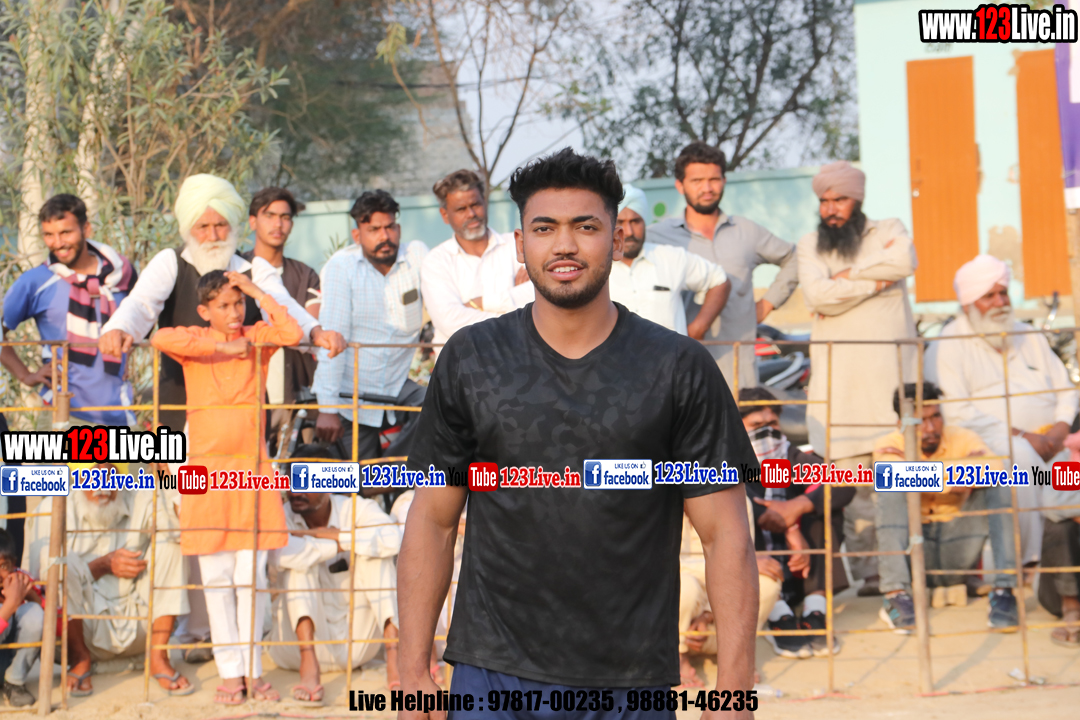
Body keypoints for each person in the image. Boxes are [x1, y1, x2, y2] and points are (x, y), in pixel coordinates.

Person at [397, 148, 759, 720]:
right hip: (491, 673)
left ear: (616, 238)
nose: (564, 245)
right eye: (545, 228)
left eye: (586, 227)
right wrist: (412, 670)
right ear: (521, 245)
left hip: (630, 681)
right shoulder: (471, 358)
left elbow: (726, 536)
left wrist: (733, 691)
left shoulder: (677, 367)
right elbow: (433, 521)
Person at [150, 270, 299, 705]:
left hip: (251, 472)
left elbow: (291, 332)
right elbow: (160, 338)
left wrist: (256, 291)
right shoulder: (196, 341)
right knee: (216, 579)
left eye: (238, 303)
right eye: (223, 305)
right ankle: (231, 674)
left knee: (250, 577)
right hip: (205, 474)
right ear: (205, 311)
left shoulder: (257, 337)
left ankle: (254, 671)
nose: (234, 313)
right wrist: (222, 347)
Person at [98, 173, 344, 433]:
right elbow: (141, 303)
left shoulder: (254, 269)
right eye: (203, 226)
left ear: (233, 226)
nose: (213, 235)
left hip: (243, 414)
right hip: (182, 409)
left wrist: (316, 332)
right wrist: (119, 328)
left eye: (221, 225)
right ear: (188, 229)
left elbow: (283, 305)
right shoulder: (170, 262)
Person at [798, 160, 918, 597]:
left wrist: (847, 278)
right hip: (842, 388)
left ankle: (902, 576)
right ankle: (871, 577)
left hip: (891, 388)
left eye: (839, 199)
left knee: (898, 484)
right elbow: (817, 295)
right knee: (853, 492)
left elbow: (905, 260)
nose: (830, 209)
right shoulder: (810, 244)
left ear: (858, 200)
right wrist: (876, 283)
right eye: (824, 201)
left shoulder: (889, 229)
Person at [927, 254, 1079, 570]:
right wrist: (1025, 437)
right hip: (988, 442)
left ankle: (1056, 572)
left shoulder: (1029, 335)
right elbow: (956, 413)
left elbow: (1066, 390)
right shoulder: (947, 344)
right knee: (1021, 457)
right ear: (968, 303)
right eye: (989, 296)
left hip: (1053, 441)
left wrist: (1059, 430)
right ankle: (1023, 564)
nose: (1000, 302)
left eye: (1003, 293)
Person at [23, 465, 191, 696]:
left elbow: (181, 533)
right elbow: (36, 585)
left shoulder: (142, 497)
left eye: (109, 475)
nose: (101, 486)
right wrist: (100, 566)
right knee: (54, 559)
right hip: (80, 632)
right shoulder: (52, 507)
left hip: (140, 624)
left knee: (171, 544)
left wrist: (165, 478)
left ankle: (158, 656)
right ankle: (80, 659)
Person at [648, 141, 798, 389]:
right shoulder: (657, 237)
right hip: (683, 370)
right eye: (697, 181)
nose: (707, 188)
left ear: (724, 181)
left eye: (714, 179)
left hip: (740, 370)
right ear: (679, 185)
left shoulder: (746, 231)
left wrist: (767, 304)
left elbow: (794, 257)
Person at [871, 383, 1018, 631]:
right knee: (889, 487)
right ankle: (895, 595)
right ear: (901, 423)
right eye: (921, 421)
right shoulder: (888, 442)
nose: (930, 428)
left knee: (1000, 484)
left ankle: (1004, 591)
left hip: (958, 545)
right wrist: (958, 478)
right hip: (913, 551)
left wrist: (918, 474)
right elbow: (893, 476)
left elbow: (995, 469)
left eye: (936, 417)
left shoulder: (962, 437)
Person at [2, 194, 137, 429]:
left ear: (86, 228)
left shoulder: (123, 273)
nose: (58, 243)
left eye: (65, 232)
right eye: (48, 235)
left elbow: (142, 317)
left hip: (121, 413)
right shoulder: (37, 281)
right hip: (62, 415)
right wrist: (26, 376)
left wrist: (129, 351)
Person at [313, 190, 428, 464]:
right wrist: (327, 408)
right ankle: (378, 478)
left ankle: (390, 472)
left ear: (398, 229)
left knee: (438, 405)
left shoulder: (416, 255)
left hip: (397, 384)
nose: (384, 236)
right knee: (354, 480)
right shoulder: (342, 267)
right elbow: (333, 339)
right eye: (374, 230)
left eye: (389, 227)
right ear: (357, 235)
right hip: (352, 394)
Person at [739, 387, 855, 658]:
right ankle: (778, 613)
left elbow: (844, 484)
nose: (767, 432)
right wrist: (788, 526)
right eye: (756, 426)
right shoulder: (726, 460)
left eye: (772, 423)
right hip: (757, 569)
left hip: (800, 569)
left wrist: (797, 507)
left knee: (826, 504)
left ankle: (815, 610)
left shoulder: (790, 455)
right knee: (736, 512)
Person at [270, 475, 402, 705]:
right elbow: (280, 554)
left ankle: (395, 657)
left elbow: (393, 540)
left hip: (357, 646)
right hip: (293, 653)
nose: (296, 491)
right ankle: (308, 665)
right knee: (299, 564)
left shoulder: (356, 508)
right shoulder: (282, 514)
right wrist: (337, 543)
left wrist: (337, 535)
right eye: (292, 482)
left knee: (376, 558)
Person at [241, 187, 322, 453]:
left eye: (285, 217)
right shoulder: (237, 269)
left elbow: (309, 331)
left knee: (293, 470)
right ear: (253, 221)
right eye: (270, 215)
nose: (278, 224)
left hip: (294, 394)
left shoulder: (305, 275)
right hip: (246, 394)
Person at [421, 170, 534, 352]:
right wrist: (515, 309)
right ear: (444, 215)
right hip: (462, 362)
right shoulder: (436, 261)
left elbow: (540, 298)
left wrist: (480, 303)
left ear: (484, 202)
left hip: (518, 357)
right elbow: (451, 323)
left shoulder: (516, 245)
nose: (471, 214)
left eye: (476, 204)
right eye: (461, 209)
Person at [609, 185, 731, 336]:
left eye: (635, 221)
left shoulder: (671, 258)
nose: (629, 232)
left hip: (671, 352)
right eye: (620, 222)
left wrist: (698, 329)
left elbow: (719, 279)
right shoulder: (599, 266)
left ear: (644, 222)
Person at [0, 529, 42, 708]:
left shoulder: (22, 578)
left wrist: (31, 596)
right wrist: (10, 605)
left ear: (13, 565)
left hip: (10, 662)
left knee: (34, 612)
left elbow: (49, 620)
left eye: (3, 566)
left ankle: (14, 683)